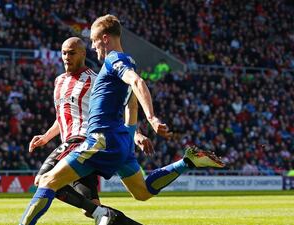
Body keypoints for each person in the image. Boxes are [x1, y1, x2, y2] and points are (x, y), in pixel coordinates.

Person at [20, 15, 225, 225]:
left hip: (100, 139)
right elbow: (131, 103)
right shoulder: (117, 67)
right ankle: (188, 161)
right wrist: (132, 132)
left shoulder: (114, 60)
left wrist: (152, 118)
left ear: (105, 38)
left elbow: (137, 82)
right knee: (142, 192)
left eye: (94, 40)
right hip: (120, 137)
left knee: (46, 181)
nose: (93, 46)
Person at [21, 37, 143, 225]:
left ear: (83, 54)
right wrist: (46, 137)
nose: (67, 57)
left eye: (72, 52)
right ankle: (105, 214)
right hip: (72, 146)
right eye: (64, 53)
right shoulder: (59, 81)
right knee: (91, 206)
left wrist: (135, 133)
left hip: (83, 140)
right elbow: (63, 116)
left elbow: (118, 108)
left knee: (42, 179)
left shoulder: (95, 80)